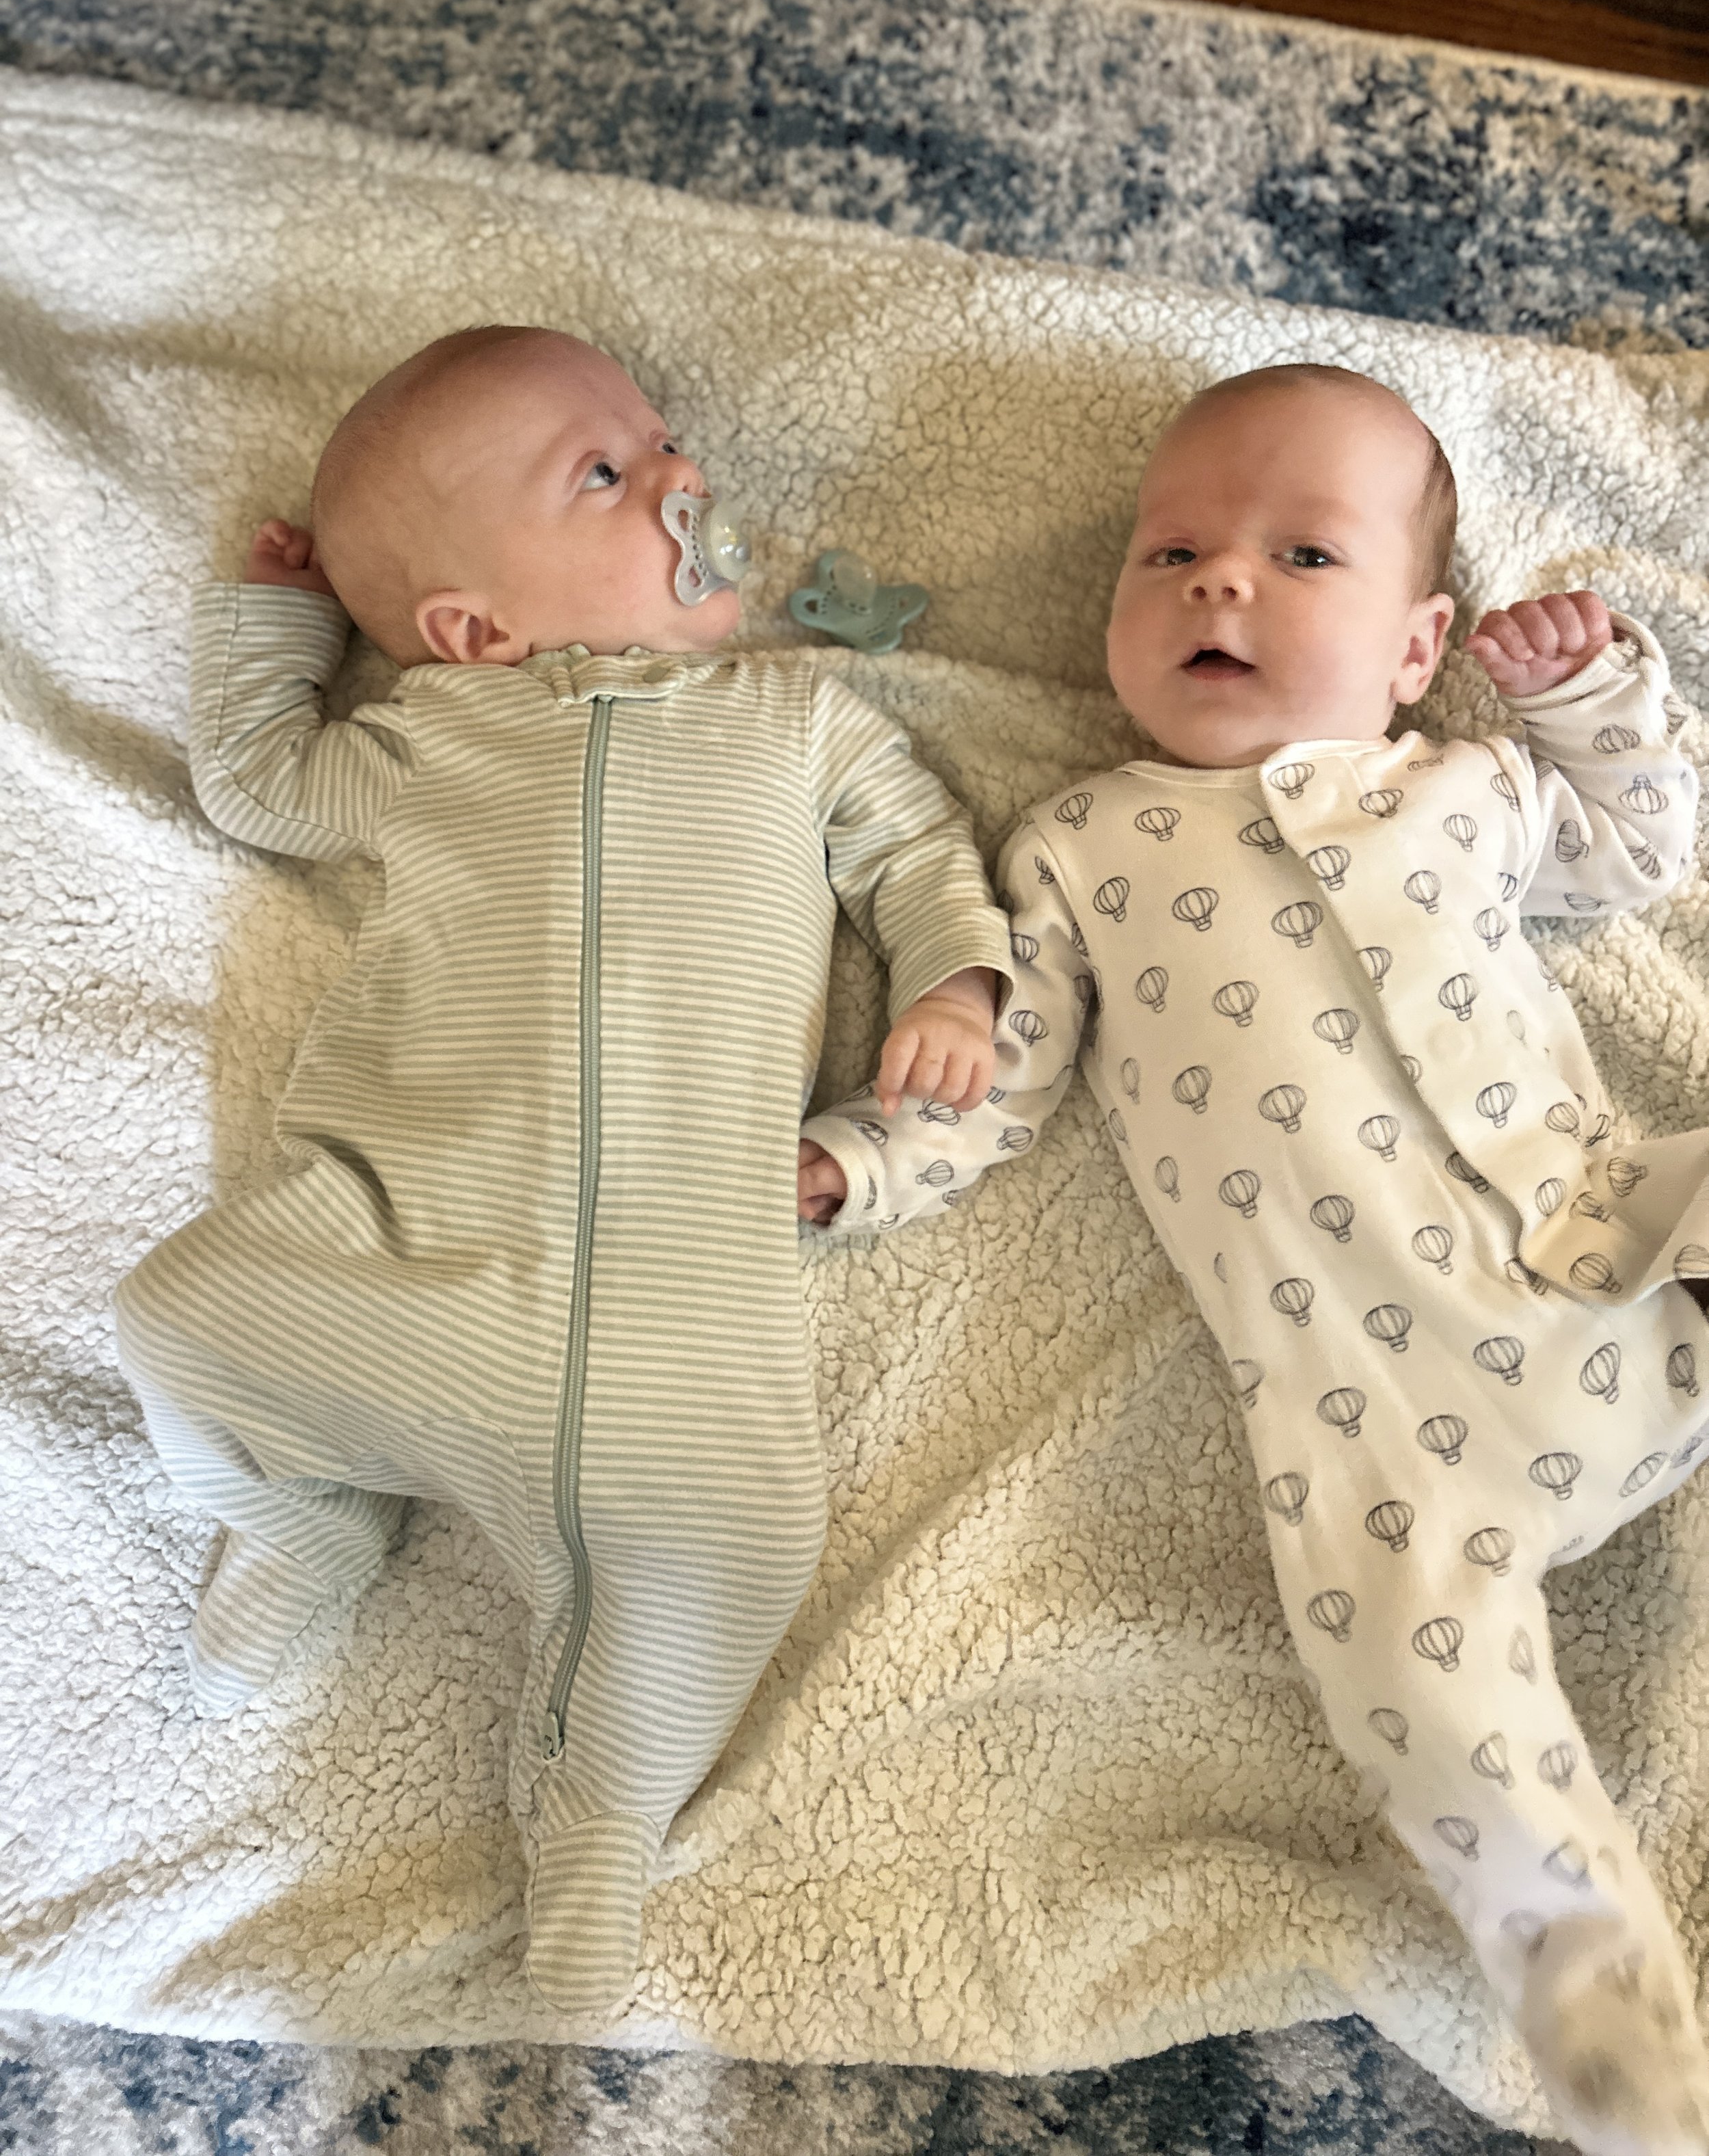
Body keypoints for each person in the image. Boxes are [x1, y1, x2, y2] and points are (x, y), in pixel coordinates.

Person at [800, 362, 1709, 2156]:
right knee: (1419, 1686)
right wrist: (862, 1155)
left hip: (1623, 1244)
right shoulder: (1076, 846)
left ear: (1408, 643)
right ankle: (1616, 2027)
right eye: (1171, 551)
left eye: (1301, 552)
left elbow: (1640, 846)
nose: (1219, 581)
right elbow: (1005, 1075)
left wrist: (1591, 695)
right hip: (1386, 1425)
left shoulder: (1455, 785)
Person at [114, 323, 1012, 2019]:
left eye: (660, 440)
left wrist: (953, 978)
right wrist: (281, 617)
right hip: (412, 1262)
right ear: (470, 630)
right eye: (605, 474)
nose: (682, 475)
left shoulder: (796, 719)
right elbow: (257, 780)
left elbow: (914, 849)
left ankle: (596, 1827)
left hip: (680, 1306)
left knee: (729, 1549)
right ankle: (299, 1512)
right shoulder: (426, 737)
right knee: (176, 1311)